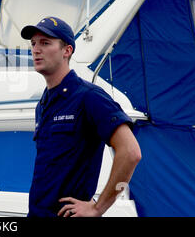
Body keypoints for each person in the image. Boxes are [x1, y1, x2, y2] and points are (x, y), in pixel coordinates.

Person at [21, 16, 142, 217]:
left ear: (66, 51)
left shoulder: (89, 97)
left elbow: (131, 153)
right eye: (33, 43)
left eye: (45, 43)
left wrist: (98, 207)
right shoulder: (43, 104)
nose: (36, 49)